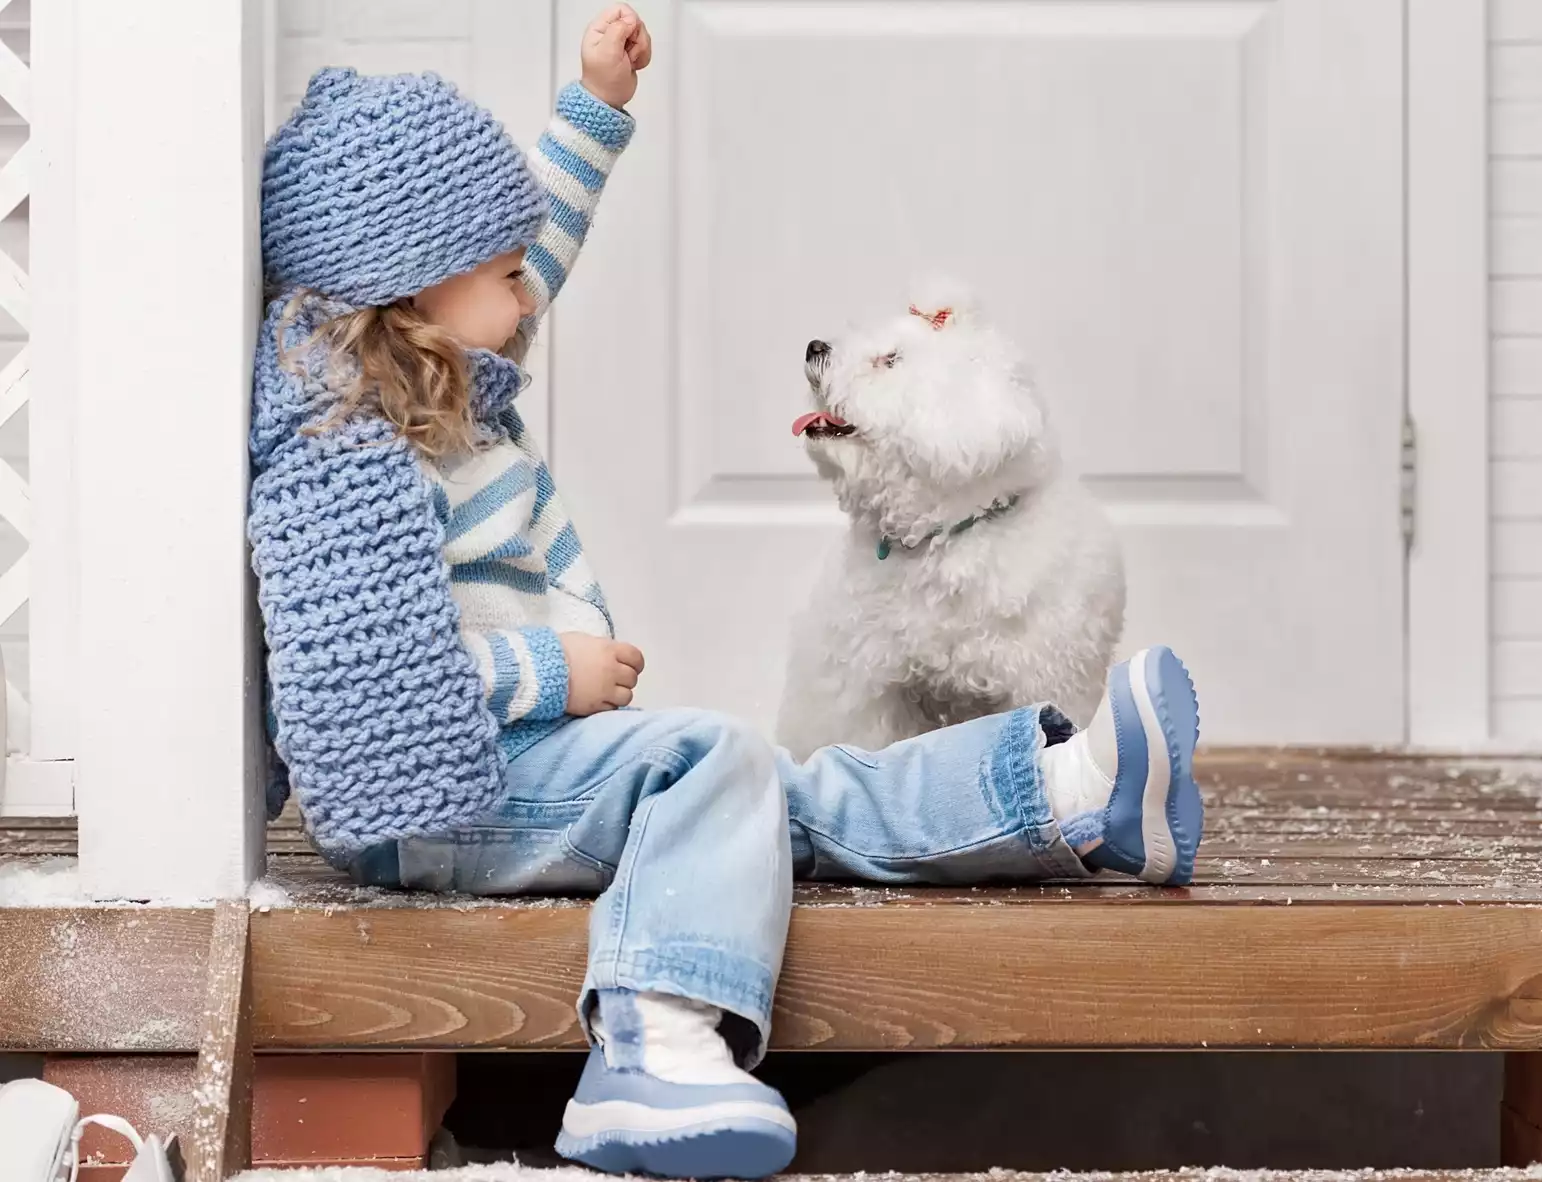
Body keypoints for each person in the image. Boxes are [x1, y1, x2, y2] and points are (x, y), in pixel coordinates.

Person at [247, 6, 1204, 1177]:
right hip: (441, 804)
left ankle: (1064, 798)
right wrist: (563, 670)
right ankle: (652, 1038)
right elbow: (375, 687)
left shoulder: (444, 372)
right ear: (418, 293)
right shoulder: (348, 456)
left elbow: (541, 237)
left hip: (509, 766)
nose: (531, 291)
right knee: (714, 764)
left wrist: (598, 102)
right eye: (507, 274)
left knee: (771, 799)